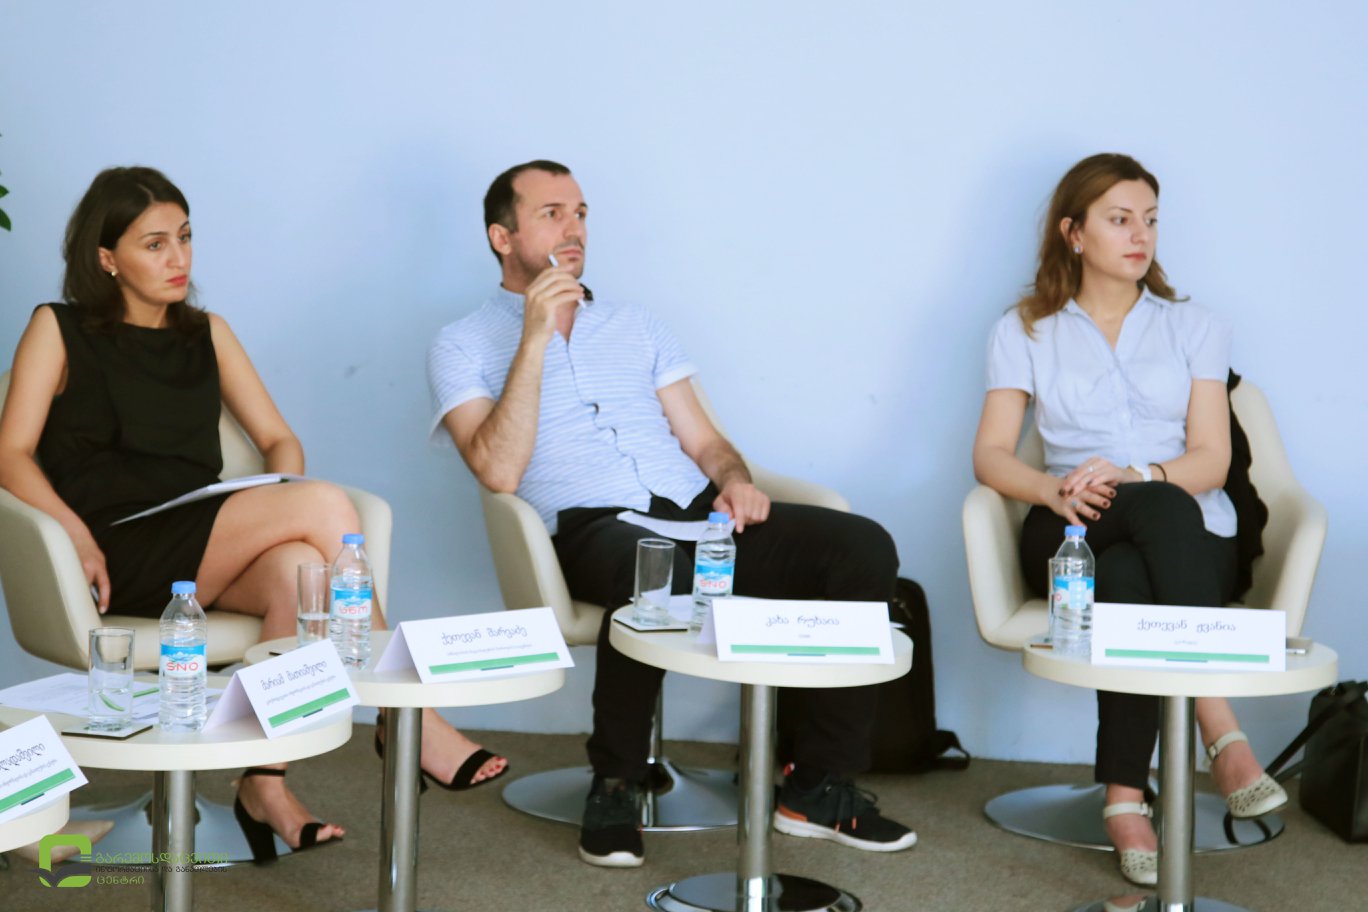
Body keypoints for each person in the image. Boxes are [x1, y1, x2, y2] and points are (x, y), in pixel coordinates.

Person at [0, 166, 506, 862]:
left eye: (184, 237)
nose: (178, 258)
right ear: (106, 258)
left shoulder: (207, 332)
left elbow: (278, 439)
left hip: (200, 535)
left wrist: (274, 499)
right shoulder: (56, 328)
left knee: (300, 563)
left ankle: (264, 781)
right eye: (154, 244)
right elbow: (10, 453)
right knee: (325, 505)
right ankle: (402, 711)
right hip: (114, 549)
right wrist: (75, 535)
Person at [428, 159, 916, 868]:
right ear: (502, 238)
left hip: (696, 514)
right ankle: (616, 783)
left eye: (581, 213)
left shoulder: (637, 325)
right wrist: (533, 338)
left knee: (862, 545)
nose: (574, 228)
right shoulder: (462, 341)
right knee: (651, 572)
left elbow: (705, 441)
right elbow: (497, 470)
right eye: (551, 214)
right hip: (589, 526)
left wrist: (735, 481)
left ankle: (817, 786)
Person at [970, 153, 1287, 886]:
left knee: (1131, 563)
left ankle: (1122, 797)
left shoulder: (1196, 326)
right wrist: (1052, 491)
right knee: (1117, 546)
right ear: (1073, 233)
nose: (1140, 235)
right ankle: (1219, 726)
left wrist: (1137, 475)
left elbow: (1210, 461)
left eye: (1149, 220)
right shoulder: (1024, 329)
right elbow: (989, 456)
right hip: (1070, 526)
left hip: (1187, 534)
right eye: (1119, 220)